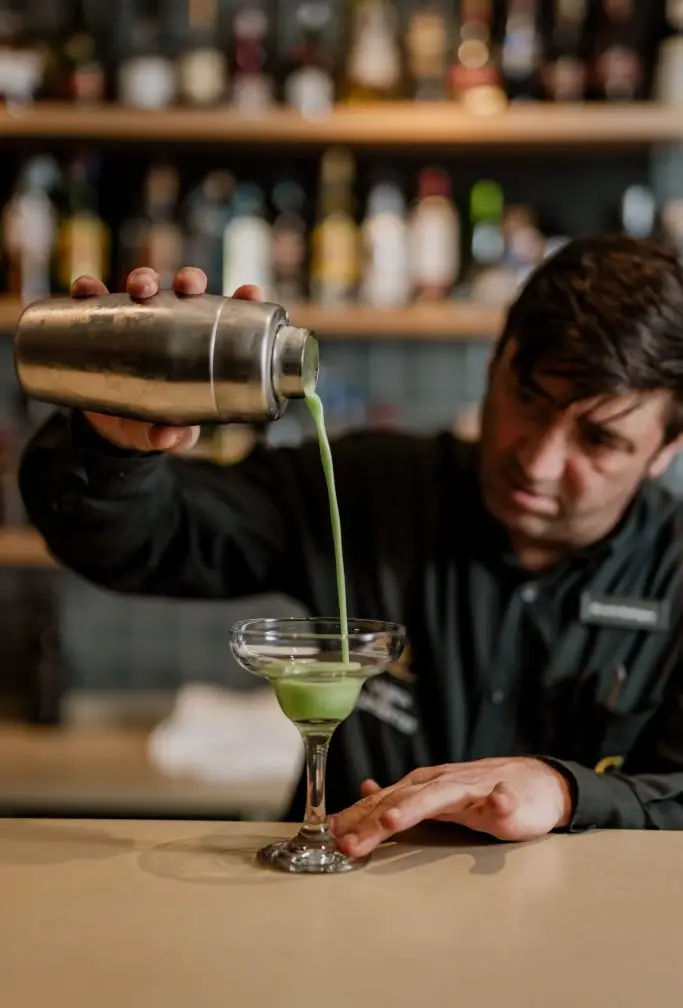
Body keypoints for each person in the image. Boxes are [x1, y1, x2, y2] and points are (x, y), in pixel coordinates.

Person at [18, 235, 683, 859]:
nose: (537, 461)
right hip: (340, 907)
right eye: (528, 398)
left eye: (598, 439)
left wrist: (566, 791)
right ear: (494, 362)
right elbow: (140, 541)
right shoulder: (373, 486)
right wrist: (114, 446)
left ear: (666, 449)